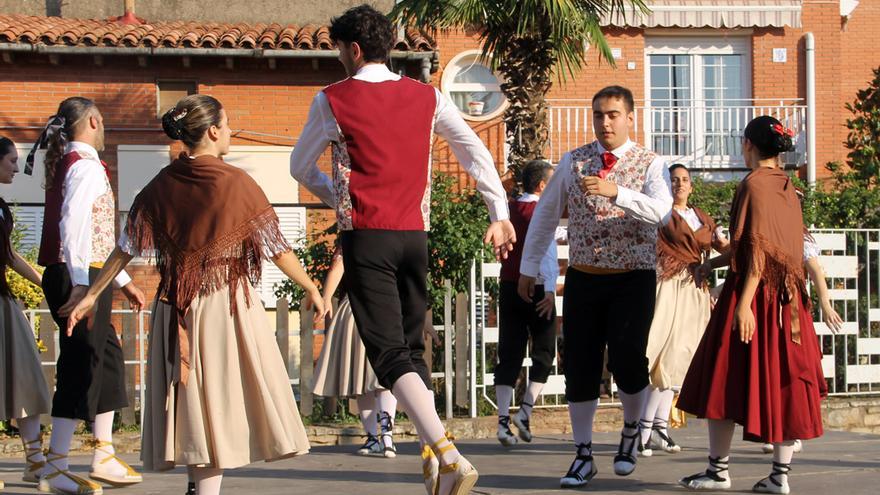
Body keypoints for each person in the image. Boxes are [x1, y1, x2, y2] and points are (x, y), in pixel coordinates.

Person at [289, 6, 515, 494]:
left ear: (352, 48)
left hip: (367, 236)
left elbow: (300, 168)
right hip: (415, 236)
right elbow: (472, 149)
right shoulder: (427, 96)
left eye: (338, 52)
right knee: (412, 351)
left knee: (389, 354)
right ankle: (432, 457)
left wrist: (341, 197)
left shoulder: (331, 99)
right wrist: (498, 212)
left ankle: (448, 452)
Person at [66, 95, 323, 495]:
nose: (232, 131)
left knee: (194, 404)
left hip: (175, 306)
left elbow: (124, 248)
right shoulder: (235, 182)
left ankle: (195, 487)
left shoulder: (159, 185)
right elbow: (278, 248)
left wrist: (90, 295)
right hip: (224, 304)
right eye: (228, 122)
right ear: (214, 131)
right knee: (215, 405)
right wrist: (310, 286)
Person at [519, 85, 672, 488]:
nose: (606, 122)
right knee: (580, 366)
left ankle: (630, 431)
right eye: (599, 115)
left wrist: (617, 191)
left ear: (630, 117)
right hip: (585, 275)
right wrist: (530, 266)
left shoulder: (651, 163)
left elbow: (661, 212)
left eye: (614, 115)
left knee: (628, 361)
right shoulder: (573, 161)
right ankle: (583, 453)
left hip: (633, 277)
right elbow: (546, 215)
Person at [678, 116, 826, 494]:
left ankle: (718, 470)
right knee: (783, 382)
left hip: (756, 297)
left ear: (747, 145)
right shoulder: (787, 187)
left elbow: (758, 251)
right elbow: (771, 249)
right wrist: (711, 263)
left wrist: (743, 305)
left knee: (721, 378)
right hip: (788, 300)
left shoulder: (754, 185)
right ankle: (779, 476)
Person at [30, 97, 145, 495]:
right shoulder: (86, 166)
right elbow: (73, 227)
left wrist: (122, 280)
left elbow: (95, 234)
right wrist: (83, 286)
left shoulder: (70, 163)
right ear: (94, 120)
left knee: (107, 356)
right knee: (80, 362)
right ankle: (56, 465)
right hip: (78, 275)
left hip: (86, 272)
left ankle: (103, 453)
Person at [638, 163, 728, 457]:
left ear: (691, 186)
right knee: (660, 353)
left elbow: (723, 247)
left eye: (684, 180)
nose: (679, 184)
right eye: (674, 180)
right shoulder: (661, 212)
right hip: (667, 284)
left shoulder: (702, 217)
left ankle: (660, 427)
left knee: (681, 358)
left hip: (694, 287)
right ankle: (644, 428)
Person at [311, 247, 399, 458]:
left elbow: (337, 267)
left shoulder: (355, 235)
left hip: (368, 308)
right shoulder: (369, 235)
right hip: (365, 307)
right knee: (370, 377)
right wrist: (326, 297)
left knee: (374, 377)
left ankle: (381, 437)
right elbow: (338, 266)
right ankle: (380, 437)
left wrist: (326, 297)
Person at [494, 160, 558, 447]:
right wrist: (549, 290)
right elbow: (545, 251)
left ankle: (502, 423)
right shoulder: (542, 212)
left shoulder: (507, 209)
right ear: (543, 185)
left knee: (509, 353)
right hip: (537, 286)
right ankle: (525, 411)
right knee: (544, 353)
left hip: (508, 285)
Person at [0, 137, 52, 491]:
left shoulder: (2, 208)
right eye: (12, 162)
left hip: (3, 302)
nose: (17, 169)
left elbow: (9, 256)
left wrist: (48, 282)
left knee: (28, 376)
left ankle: (35, 461)